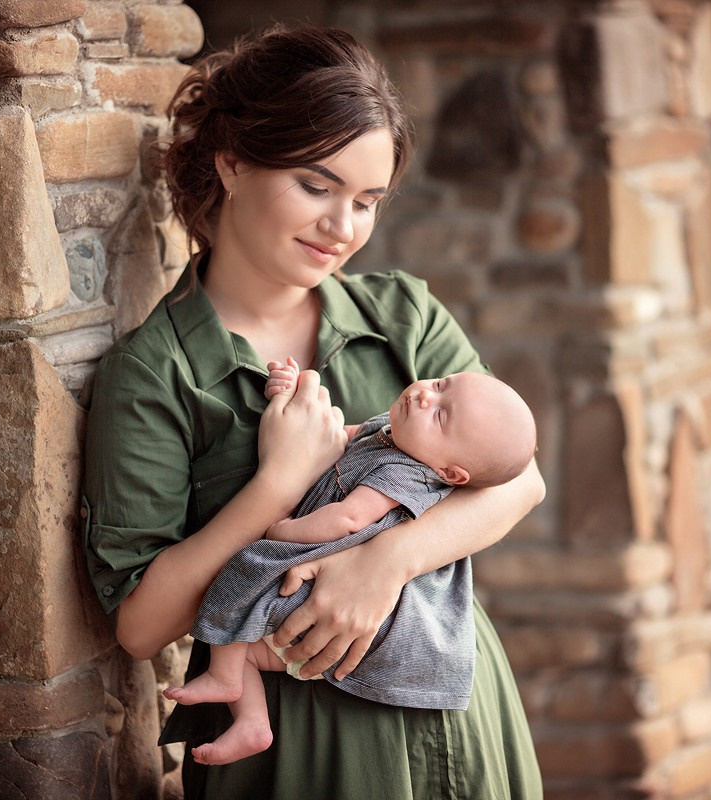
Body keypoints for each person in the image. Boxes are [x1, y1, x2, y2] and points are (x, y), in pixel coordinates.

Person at [82, 24, 547, 800]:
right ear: (232, 162)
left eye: (366, 201)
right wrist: (276, 485)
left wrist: (386, 562)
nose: (343, 229)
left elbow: (518, 480)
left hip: (459, 710)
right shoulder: (152, 373)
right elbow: (140, 624)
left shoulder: (405, 314)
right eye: (316, 186)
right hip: (303, 747)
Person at [164, 359, 538, 766]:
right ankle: (252, 721)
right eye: (441, 384)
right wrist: (293, 394)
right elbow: (332, 440)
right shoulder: (391, 431)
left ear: (450, 472)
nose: (425, 394)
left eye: (440, 414)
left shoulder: (406, 474)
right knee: (252, 645)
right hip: (323, 573)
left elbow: (347, 519)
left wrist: (282, 531)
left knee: (245, 574)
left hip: (332, 579)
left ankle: (225, 679)